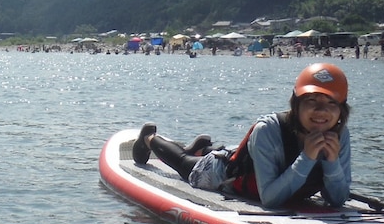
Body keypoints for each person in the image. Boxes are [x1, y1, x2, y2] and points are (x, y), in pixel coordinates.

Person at [132, 62, 352, 209]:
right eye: (312, 101)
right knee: (184, 163)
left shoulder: (339, 135)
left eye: (331, 103)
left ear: (341, 111)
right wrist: (308, 158)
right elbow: (271, 199)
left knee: (218, 153)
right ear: (297, 105)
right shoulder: (268, 130)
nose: (321, 111)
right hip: (221, 174)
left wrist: (332, 163)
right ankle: (149, 138)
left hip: (245, 157)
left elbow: (337, 199)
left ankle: (202, 147)